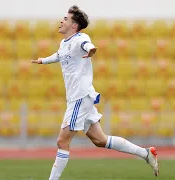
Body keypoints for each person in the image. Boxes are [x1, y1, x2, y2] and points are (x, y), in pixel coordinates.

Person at [31, 5, 159, 180]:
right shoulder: (64, 43)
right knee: (100, 140)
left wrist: (91, 49)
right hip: (82, 97)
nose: (62, 21)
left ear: (74, 26)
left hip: (79, 98)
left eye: (66, 19)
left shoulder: (81, 38)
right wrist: (43, 61)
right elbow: (59, 55)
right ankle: (146, 153)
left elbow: (87, 45)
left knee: (62, 141)